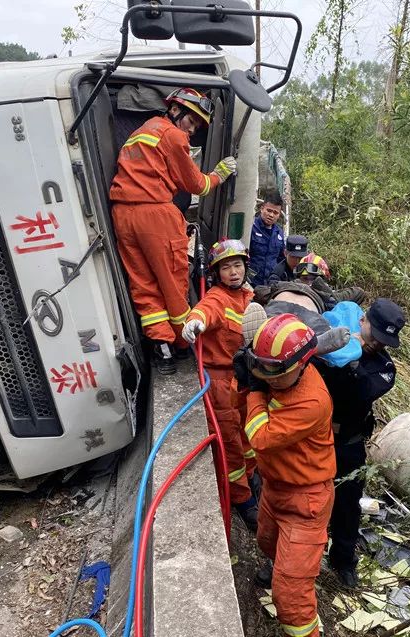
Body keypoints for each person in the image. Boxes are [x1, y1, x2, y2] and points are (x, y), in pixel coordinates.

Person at [109, 87, 237, 375]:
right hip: (154, 213)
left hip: (122, 214)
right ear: (176, 109)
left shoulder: (143, 130)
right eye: (191, 122)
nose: (191, 131)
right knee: (173, 281)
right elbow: (197, 186)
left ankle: (161, 347)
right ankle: (181, 343)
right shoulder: (173, 136)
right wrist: (219, 174)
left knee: (143, 284)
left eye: (196, 127)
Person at [244, 314, 335, 637]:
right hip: (275, 487)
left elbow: (260, 437)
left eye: (273, 371)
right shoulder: (281, 377)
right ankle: (278, 566)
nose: (266, 377)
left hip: (305, 501)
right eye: (260, 367)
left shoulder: (311, 401)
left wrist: (252, 391)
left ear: (301, 364)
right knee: (267, 540)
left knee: (290, 597)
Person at [317, 298, 406, 588]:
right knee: (306, 499)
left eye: (384, 341)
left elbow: (360, 390)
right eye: (374, 336)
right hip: (315, 437)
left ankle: (343, 560)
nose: (377, 345)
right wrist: (337, 346)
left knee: (347, 504)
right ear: (362, 320)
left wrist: (350, 357)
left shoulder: (384, 368)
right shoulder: (333, 339)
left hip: (348, 443)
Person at [181, 239, 258, 531]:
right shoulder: (217, 297)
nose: (234, 272)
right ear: (217, 273)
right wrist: (195, 321)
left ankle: (250, 478)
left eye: (237, 265)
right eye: (226, 268)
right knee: (230, 443)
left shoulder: (249, 296)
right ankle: (241, 498)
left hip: (244, 378)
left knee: (248, 433)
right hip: (220, 381)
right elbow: (204, 310)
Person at [248, 192, 285, 286]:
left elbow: (281, 259)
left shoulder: (279, 233)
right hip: (250, 282)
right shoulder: (250, 227)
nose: (271, 215)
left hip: (270, 285)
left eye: (275, 213)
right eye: (269, 210)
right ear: (262, 208)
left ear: (279, 215)